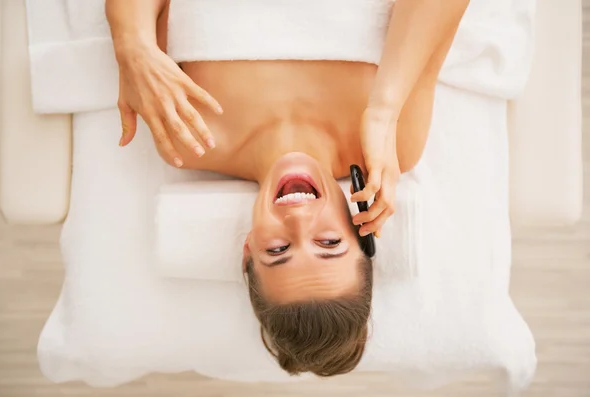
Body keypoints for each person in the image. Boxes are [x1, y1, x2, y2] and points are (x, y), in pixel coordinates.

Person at [106, 0, 469, 377]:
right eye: (329, 244)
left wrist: (131, 45)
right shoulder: (395, 142)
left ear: (247, 249)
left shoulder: (189, 136)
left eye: (278, 249)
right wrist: (384, 109)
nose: (298, 220)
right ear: (362, 230)